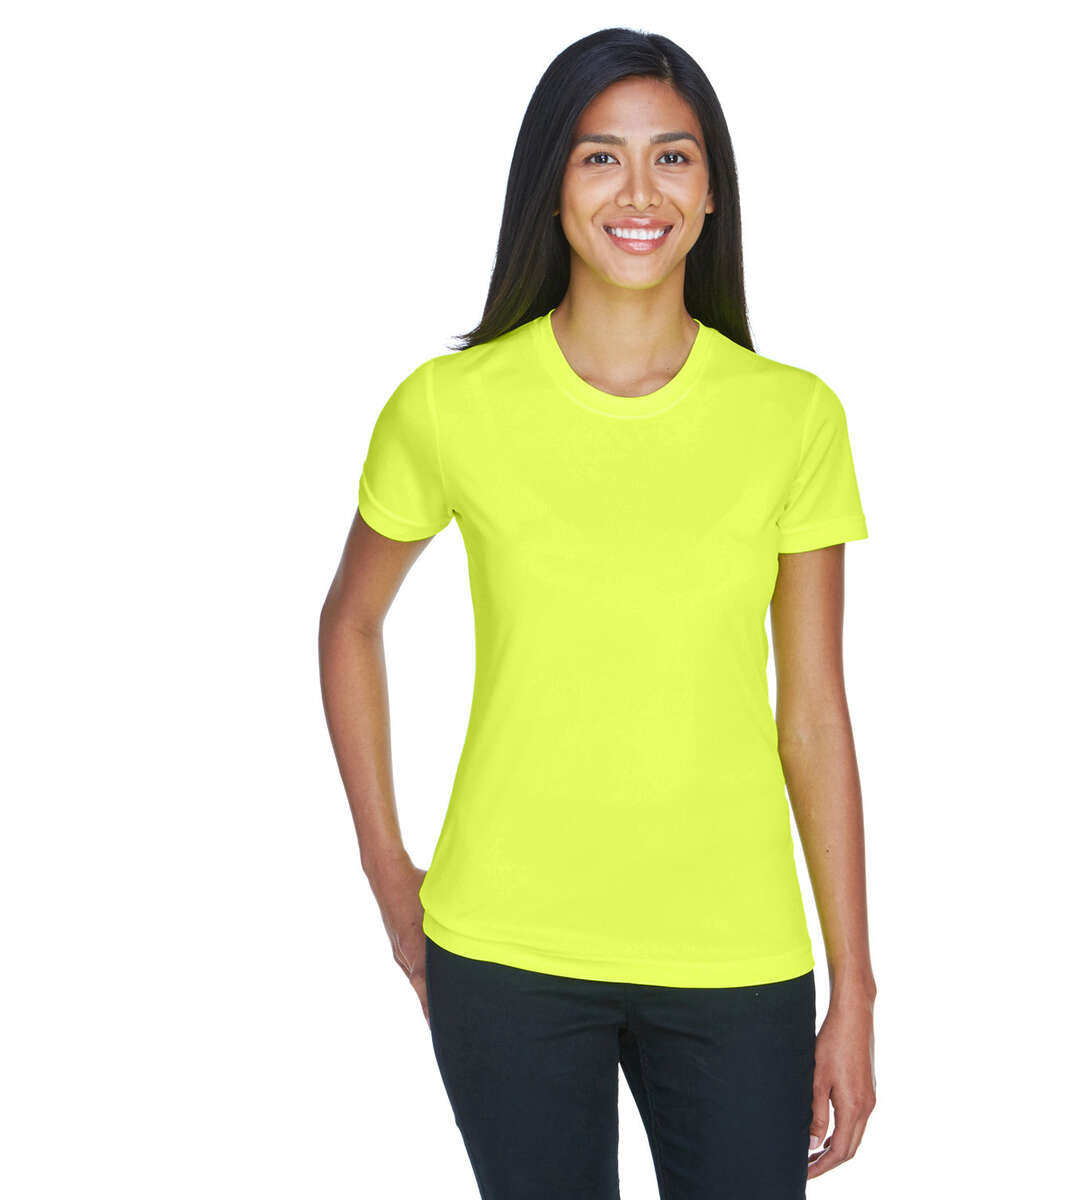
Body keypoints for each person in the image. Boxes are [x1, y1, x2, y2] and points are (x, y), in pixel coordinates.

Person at [318, 26, 876, 1200]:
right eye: (598, 157)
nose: (638, 193)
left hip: (734, 956)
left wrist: (856, 989)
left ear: (712, 190)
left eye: (672, 157)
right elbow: (351, 624)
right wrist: (388, 873)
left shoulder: (794, 419)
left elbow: (814, 716)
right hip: (507, 949)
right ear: (551, 186)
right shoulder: (448, 405)